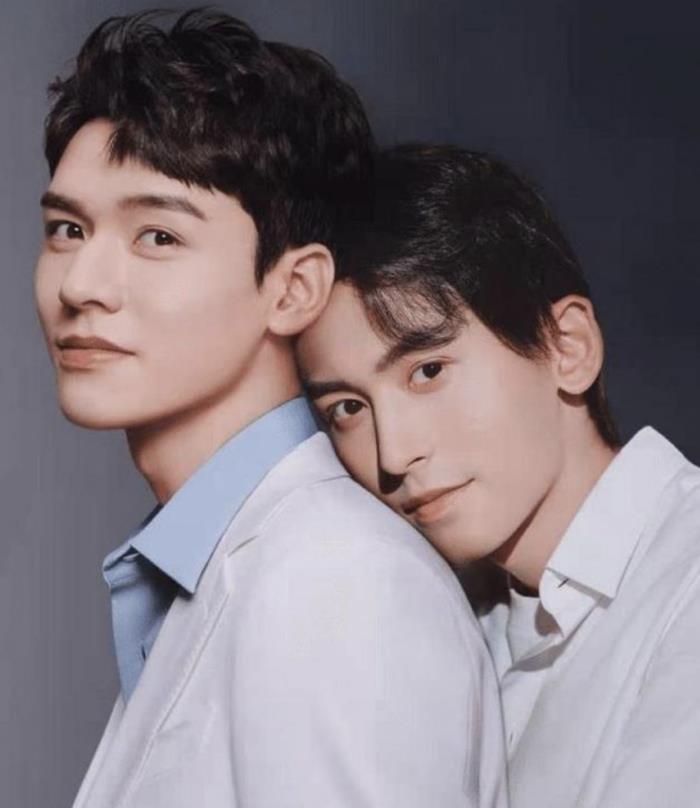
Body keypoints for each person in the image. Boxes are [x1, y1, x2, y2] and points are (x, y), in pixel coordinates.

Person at [35, 15, 506, 808]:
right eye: (67, 229)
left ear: (292, 289)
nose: (81, 283)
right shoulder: (237, 568)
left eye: (157, 236)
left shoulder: (335, 582)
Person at [297, 143, 700, 808]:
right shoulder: (440, 631)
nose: (393, 453)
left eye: (428, 371)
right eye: (347, 408)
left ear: (568, 347)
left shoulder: (683, 584)